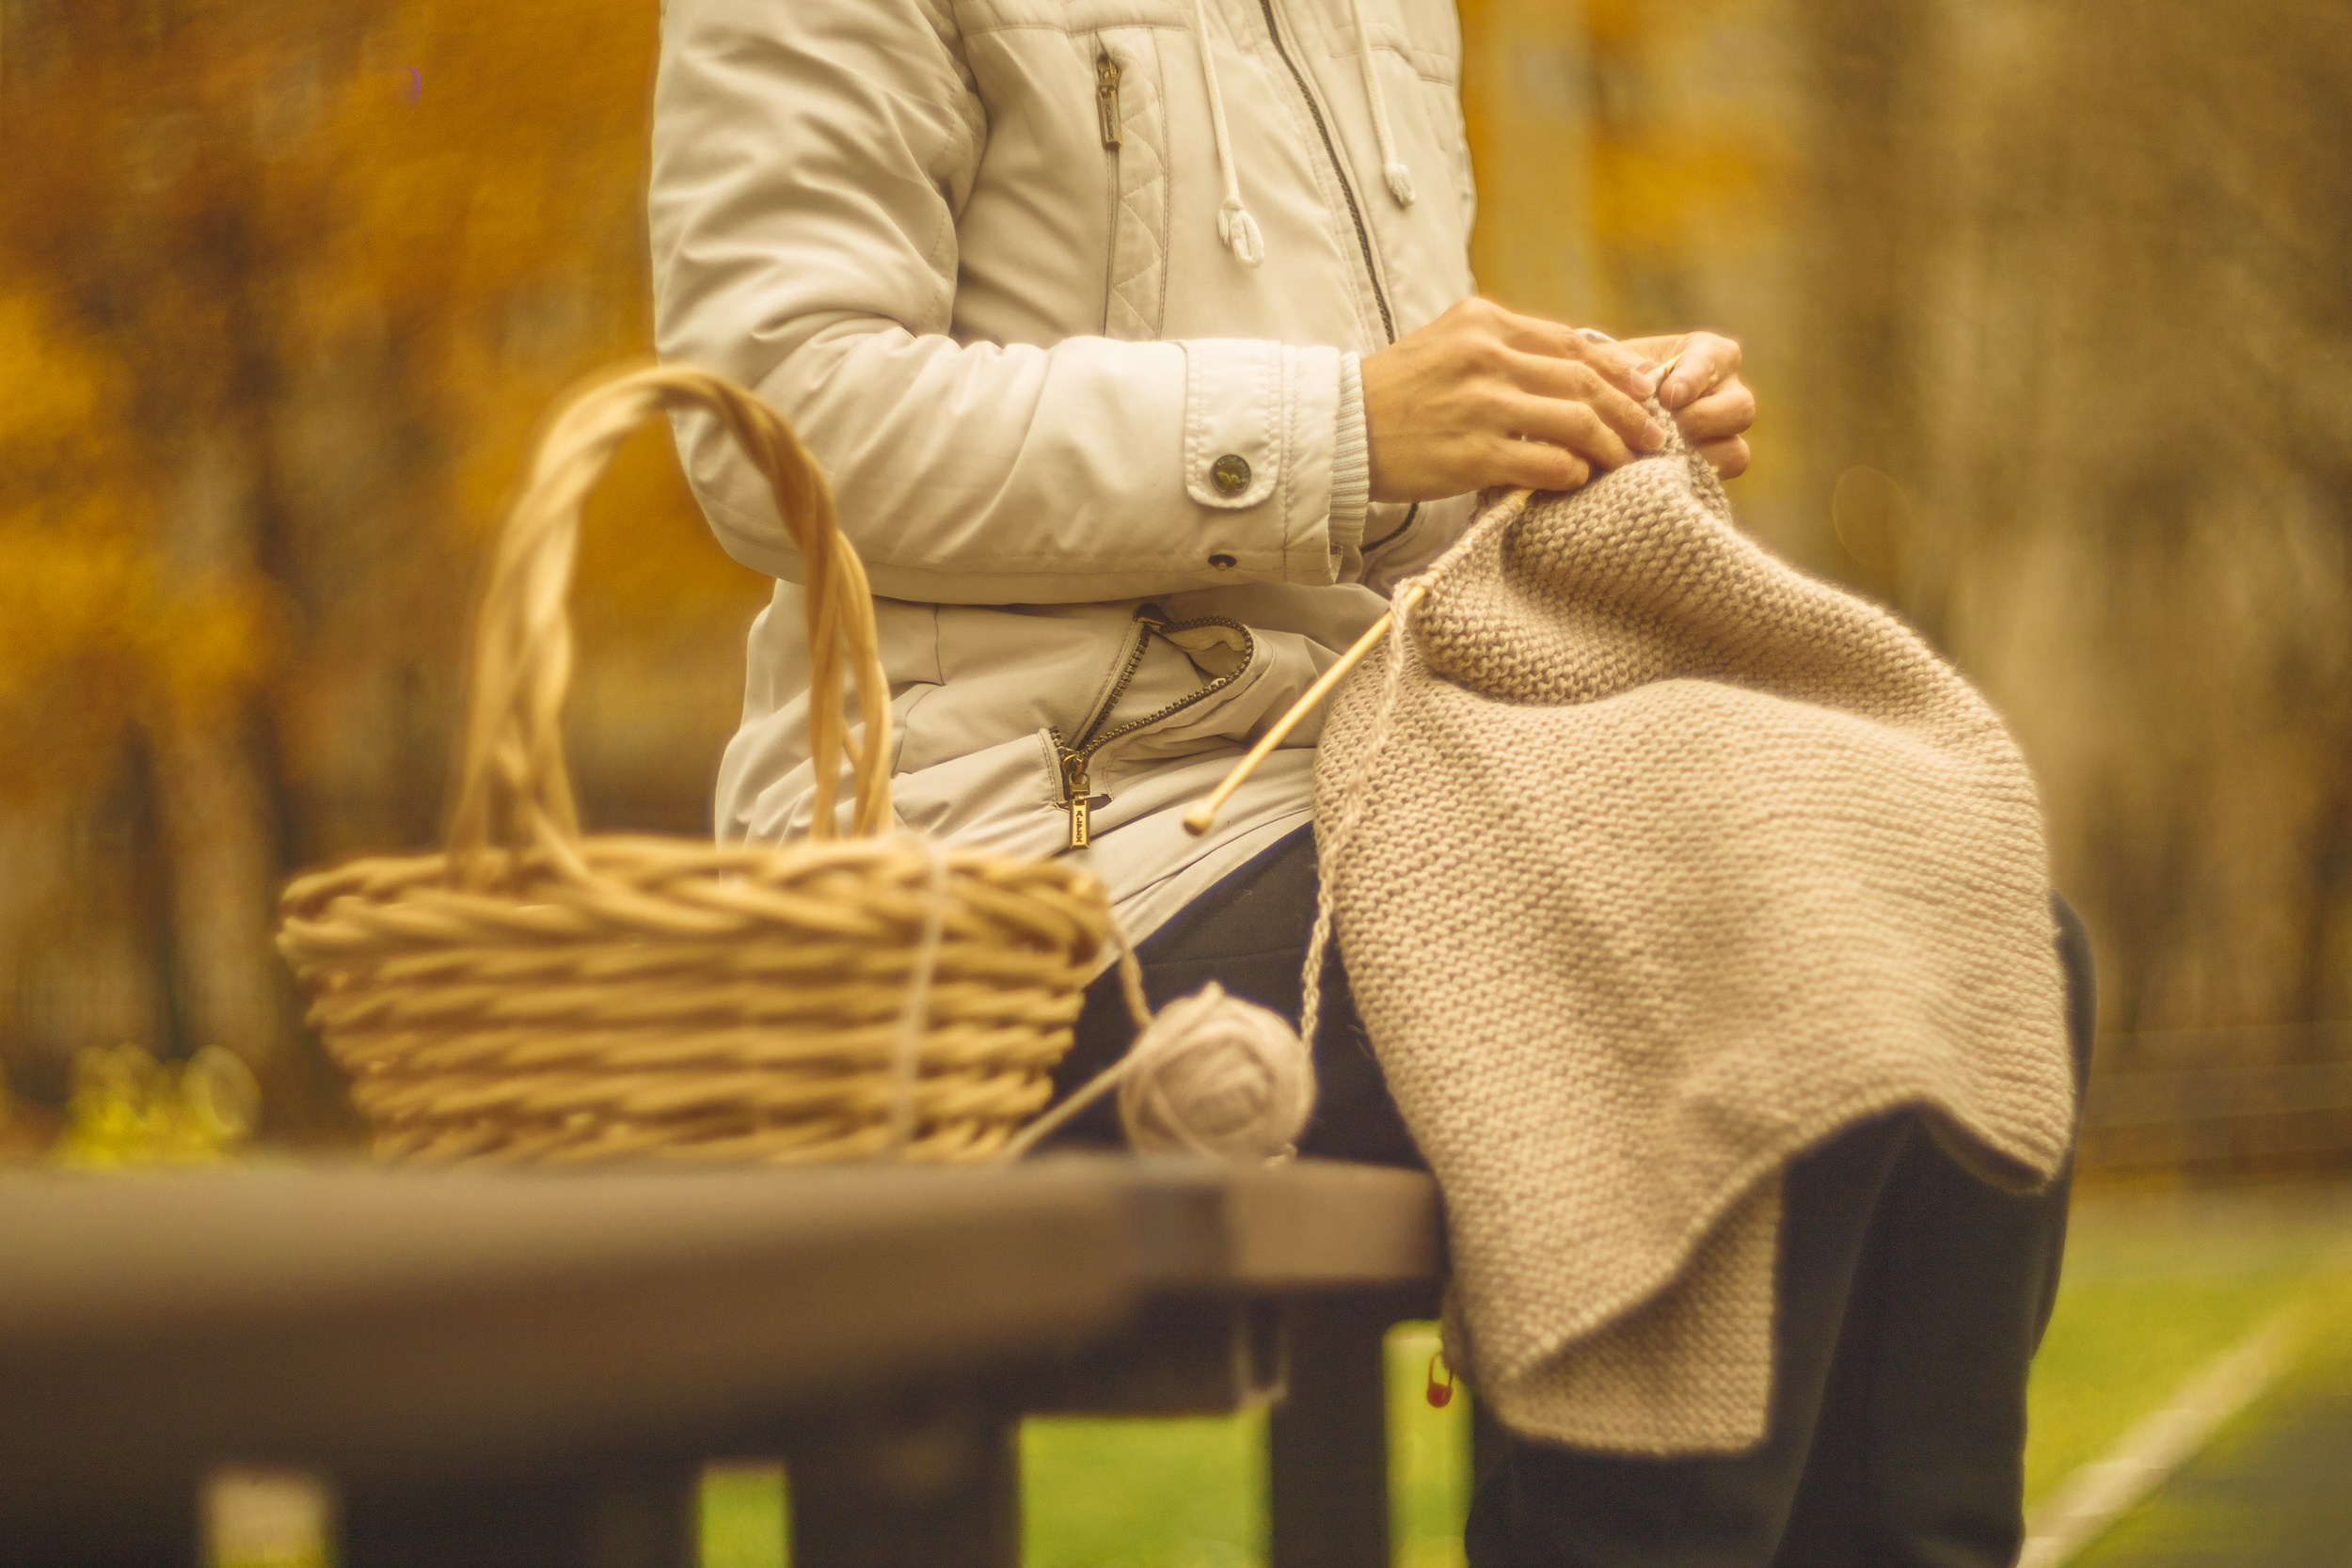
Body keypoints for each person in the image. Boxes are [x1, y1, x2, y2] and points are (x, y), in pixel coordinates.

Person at [649, 3, 2086, 1564]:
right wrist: (1342, 427)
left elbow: (1377, 458)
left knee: (1985, 911)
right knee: (1759, 933)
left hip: (1363, 795)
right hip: (1003, 875)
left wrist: (1554, 415)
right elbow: (774, 419)